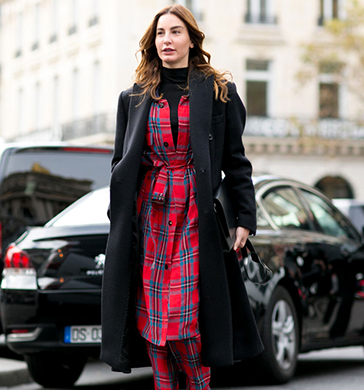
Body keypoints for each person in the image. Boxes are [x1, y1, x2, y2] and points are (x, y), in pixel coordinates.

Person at [100, 5, 264, 389]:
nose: (166, 40)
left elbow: (236, 161)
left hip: (195, 214)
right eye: (160, 34)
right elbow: (119, 163)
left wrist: (244, 217)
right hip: (149, 217)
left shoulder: (220, 91)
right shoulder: (134, 97)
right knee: (154, 324)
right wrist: (119, 218)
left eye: (175, 32)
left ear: (192, 39)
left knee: (185, 322)